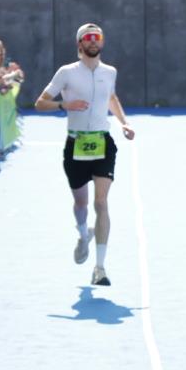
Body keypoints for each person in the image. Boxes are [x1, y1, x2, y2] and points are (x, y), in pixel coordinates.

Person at [35, 23, 135, 286]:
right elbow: (40, 102)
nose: (93, 41)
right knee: (81, 203)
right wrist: (64, 104)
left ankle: (100, 268)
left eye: (97, 38)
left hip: (103, 142)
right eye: (88, 38)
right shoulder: (66, 72)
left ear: (102, 43)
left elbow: (111, 97)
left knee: (101, 203)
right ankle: (83, 234)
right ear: (79, 44)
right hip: (76, 143)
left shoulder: (109, 71)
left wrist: (123, 122)